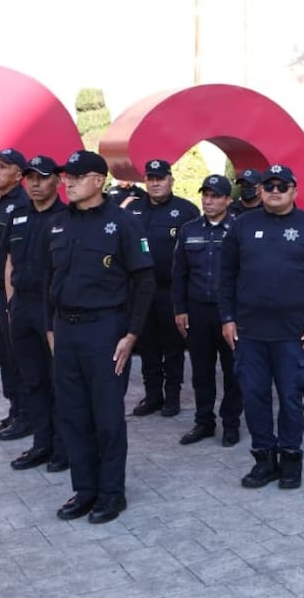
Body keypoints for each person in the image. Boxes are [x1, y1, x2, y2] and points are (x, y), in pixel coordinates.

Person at [46, 150, 154, 524]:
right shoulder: (59, 224)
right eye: (66, 177)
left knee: (106, 417)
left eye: (76, 176)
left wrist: (132, 333)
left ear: (98, 180)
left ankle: (111, 493)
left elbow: (144, 281)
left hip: (105, 330)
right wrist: (50, 329)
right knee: (73, 414)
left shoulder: (122, 223)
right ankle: (85, 490)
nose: (68, 182)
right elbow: (50, 280)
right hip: (66, 329)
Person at [220, 164, 304, 490]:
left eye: (281, 186)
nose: (274, 191)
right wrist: (227, 318)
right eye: (269, 186)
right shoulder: (242, 225)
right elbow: (226, 275)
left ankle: (290, 458)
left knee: (290, 398)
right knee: (255, 397)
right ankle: (263, 459)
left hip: (294, 334)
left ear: (294, 191)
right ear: (260, 190)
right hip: (250, 333)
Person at [4, 155, 69, 471]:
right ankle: (41, 444)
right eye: (30, 177)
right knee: (32, 380)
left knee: (59, 380)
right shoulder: (18, 215)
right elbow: (10, 261)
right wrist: (11, 302)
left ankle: (64, 448)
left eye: (42, 178)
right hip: (23, 306)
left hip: (53, 310)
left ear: (57, 181)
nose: (35, 183)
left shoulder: (67, 218)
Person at [171, 174, 242, 447]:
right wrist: (180, 309)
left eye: (215, 196)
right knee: (201, 371)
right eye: (206, 195)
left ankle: (232, 423)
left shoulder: (238, 229)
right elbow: (180, 274)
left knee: (233, 372)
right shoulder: (189, 230)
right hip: (197, 311)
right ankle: (204, 422)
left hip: (229, 315)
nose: (209, 201)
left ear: (227, 200)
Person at [130, 159, 200, 417]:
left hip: (172, 291)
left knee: (173, 347)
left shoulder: (186, 211)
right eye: (150, 178)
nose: (155, 183)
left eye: (160, 178)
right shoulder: (133, 211)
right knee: (147, 346)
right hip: (141, 292)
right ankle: (152, 397)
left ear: (171, 180)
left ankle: (172, 397)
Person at [0, 147, 31, 440]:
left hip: (12, 294)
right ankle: (14, 411)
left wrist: (12, 302)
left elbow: (17, 257)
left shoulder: (22, 205)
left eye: (3, 166)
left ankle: (28, 416)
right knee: (3, 355)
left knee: (18, 356)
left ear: (18, 175)